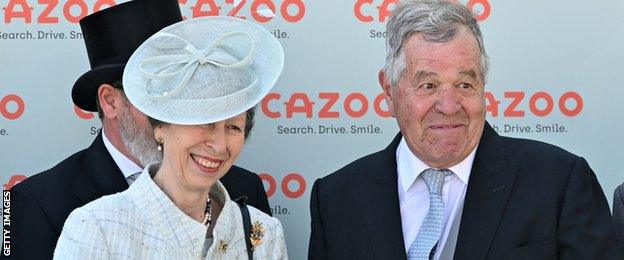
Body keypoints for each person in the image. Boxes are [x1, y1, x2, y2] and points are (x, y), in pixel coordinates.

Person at [308, 0, 618, 259]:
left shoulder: (559, 182)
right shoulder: (337, 197)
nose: (449, 105)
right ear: (389, 92)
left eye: (465, 84)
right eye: (428, 85)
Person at [10, 1, 271, 259]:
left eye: (185, 93)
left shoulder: (245, 188)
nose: (174, 109)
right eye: (157, 95)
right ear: (110, 101)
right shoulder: (35, 201)